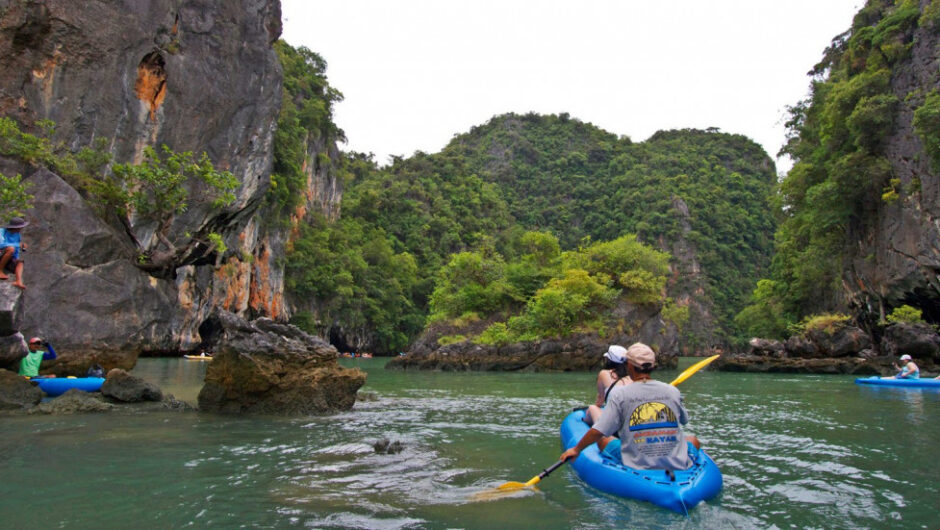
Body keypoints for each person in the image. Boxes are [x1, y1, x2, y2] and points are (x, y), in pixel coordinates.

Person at [561, 342, 700, 471]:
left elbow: (599, 431)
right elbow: (683, 420)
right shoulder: (673, 391)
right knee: (692, 440)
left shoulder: (620, 395)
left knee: (604, 440)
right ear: (653, 366)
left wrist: (576, 449)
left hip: (638, 460)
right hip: (674, 460)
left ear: (630, 366)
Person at [584, 345, 631, 426]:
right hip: (631, 419)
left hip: (614, 423)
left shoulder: (604, 373)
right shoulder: (633, 376)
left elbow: (600, 401)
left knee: (592, 408)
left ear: (609, 360)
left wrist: (590, 411)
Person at [0, 216, 29, 290]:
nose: (20, 229)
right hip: (1, 253)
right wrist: (17, 245)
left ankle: (18, 281)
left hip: (8, 257)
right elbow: (1, 244)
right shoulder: (2, 232)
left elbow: (16, 250)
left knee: (20, 262)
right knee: (11, 249)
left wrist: (16, 259)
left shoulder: (17, 235)